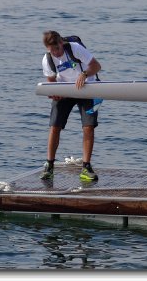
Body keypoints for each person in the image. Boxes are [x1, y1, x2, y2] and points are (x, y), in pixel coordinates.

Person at [40, 30, 102, 183]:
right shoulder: (47, 59)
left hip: (88, 88)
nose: (56, 53)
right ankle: (49, 166)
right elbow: (51, 80)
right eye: (52, 50)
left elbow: (96, 66)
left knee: (88, 127)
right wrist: (54, 93)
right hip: (65, 90)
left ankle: (86, 167)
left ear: (62, 43)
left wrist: (84, 74)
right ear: (48, 48)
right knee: (54, 126)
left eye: (58, 49)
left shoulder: (75, 48)